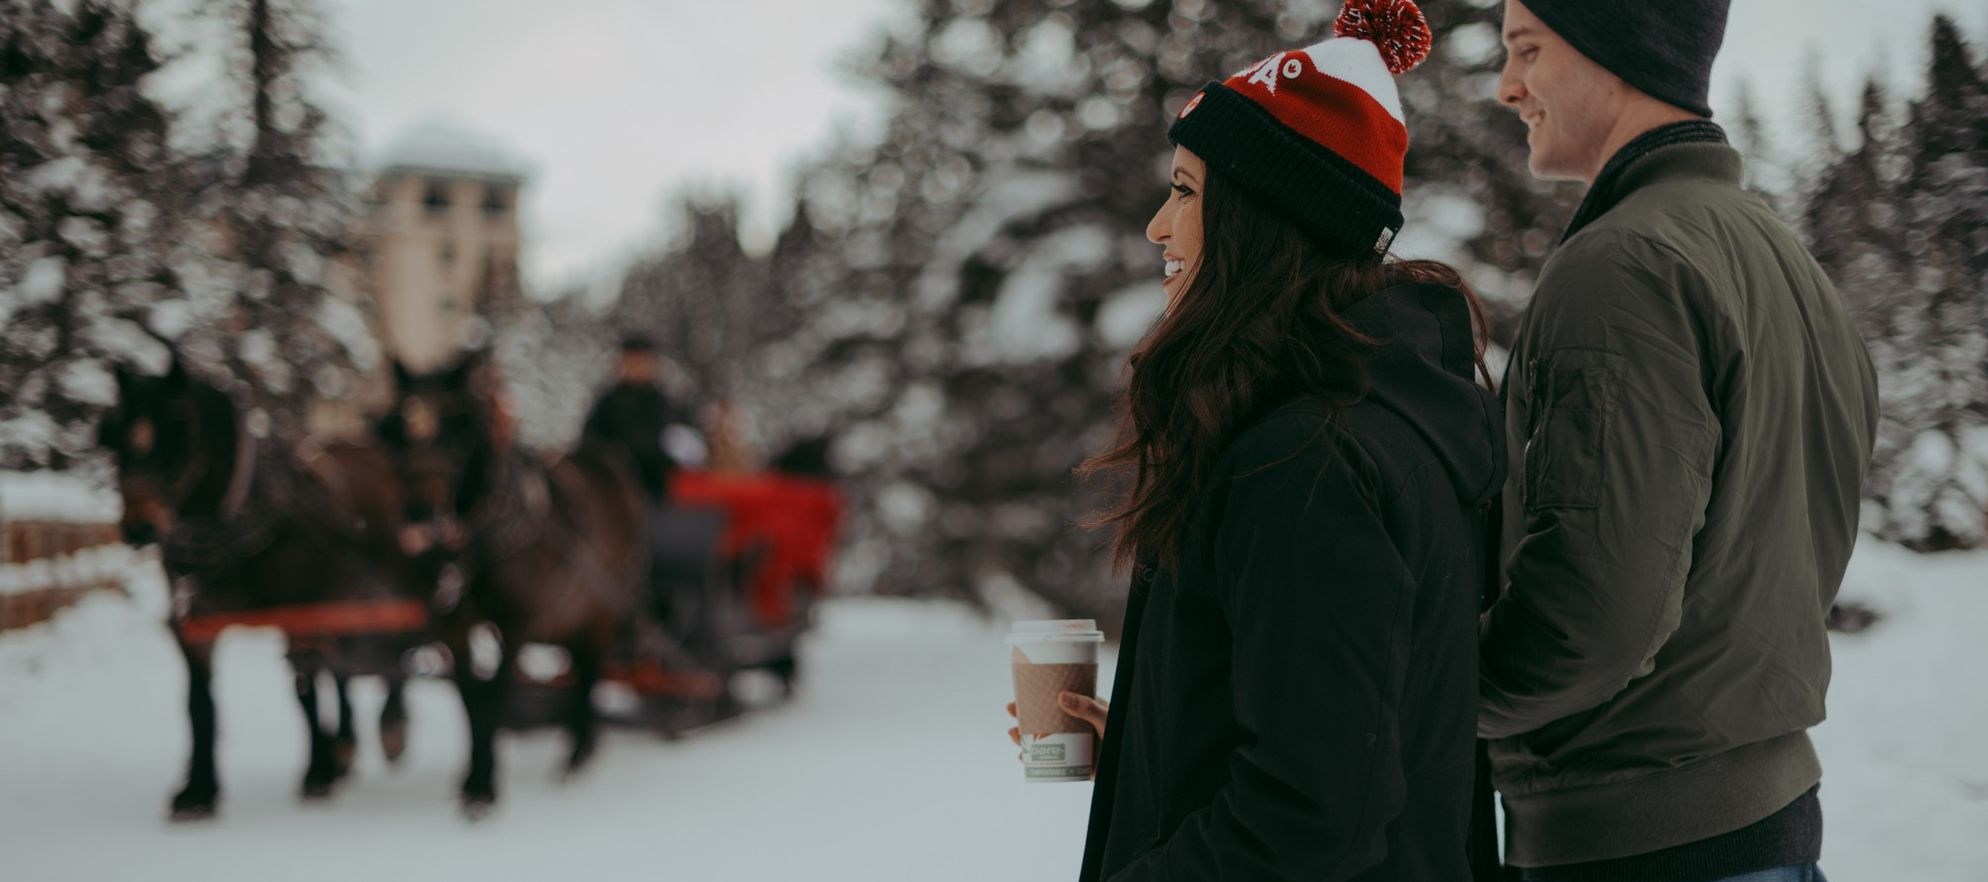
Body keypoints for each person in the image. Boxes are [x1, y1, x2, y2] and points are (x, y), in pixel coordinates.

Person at [1031, 3, 1507, 878]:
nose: (1156, 228)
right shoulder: (1374, 422)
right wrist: (1147, 740)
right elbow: (1345, 730)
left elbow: (1309, 818)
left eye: (1183, 193)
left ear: (1262, 218)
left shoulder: (1306, 459)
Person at [1479, 2, 1880, 880]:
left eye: (1528, 50)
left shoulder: (1622, 264)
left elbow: (1594, 616)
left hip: (1637, 842)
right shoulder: (1778, 254)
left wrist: (1434, 692)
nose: (1509, 87)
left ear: (1619, 48)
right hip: (1763, 819)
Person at [581, 335, 695, 502]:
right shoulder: (607, 403)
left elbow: (677, 444)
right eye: (630, 361)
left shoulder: (665, 404)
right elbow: (590, 438)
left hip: (654, 487)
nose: (634, 367)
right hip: (611, 484)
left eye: (640, 361)